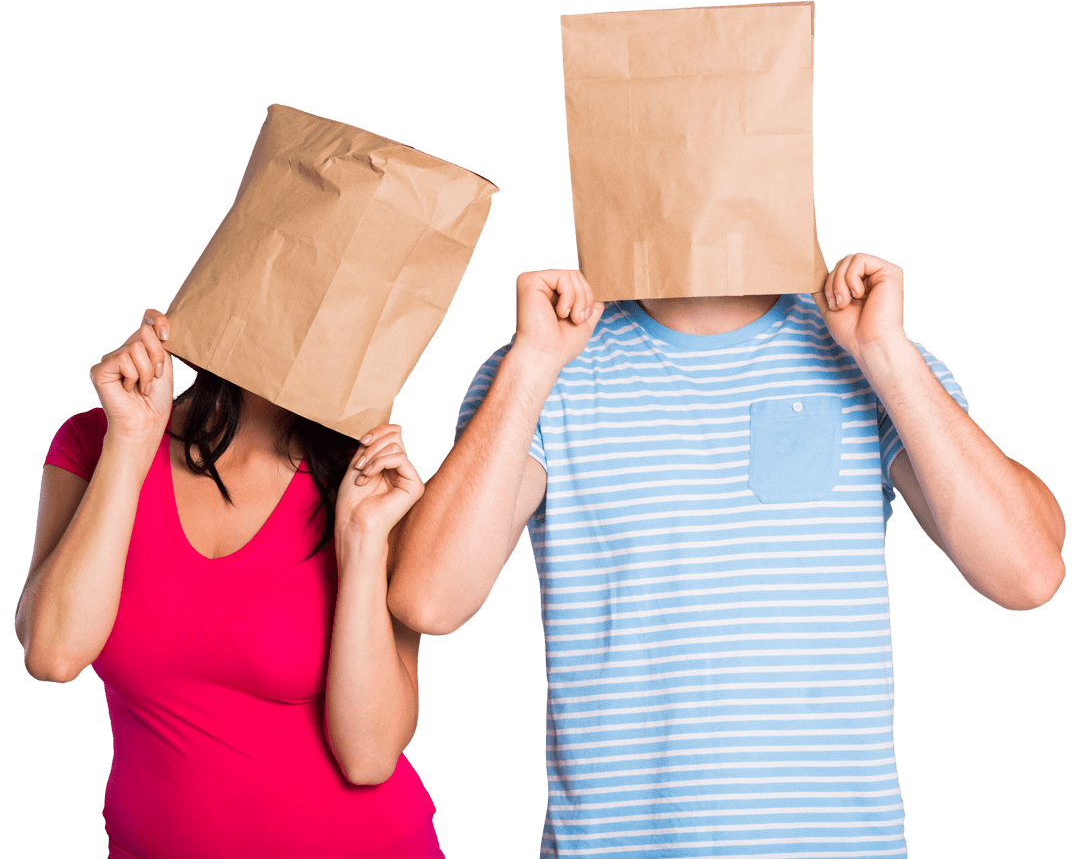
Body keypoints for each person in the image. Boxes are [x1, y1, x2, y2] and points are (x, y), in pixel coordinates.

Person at [388, 254, 1067, 857]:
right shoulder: (546, 363)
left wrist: (887, 353)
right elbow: (430, 598)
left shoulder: (869, 349)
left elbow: (1028, 571)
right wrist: (531, 364)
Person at [14, 309, 443, 859]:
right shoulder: (96, 441)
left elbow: (369, 756)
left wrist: (361, 542)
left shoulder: (370, 485)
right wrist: (131, 442)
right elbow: (51, 655)